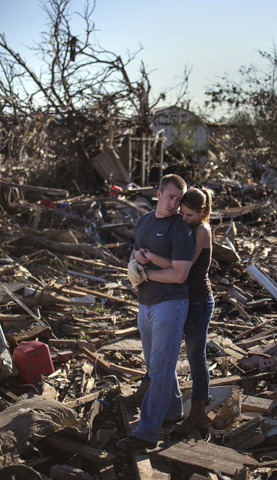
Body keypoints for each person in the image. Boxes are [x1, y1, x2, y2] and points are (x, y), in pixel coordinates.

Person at [116, 174, 195, 452]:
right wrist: (133, 265)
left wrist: (146, 273)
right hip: (145, 304)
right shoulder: (144, 221)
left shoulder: (181, 230)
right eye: (170, 197)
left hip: (170, 306)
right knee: (157, 366)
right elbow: (136, 252)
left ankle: (147, 432)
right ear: (158, 194)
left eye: (179, 199)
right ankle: (173, 412)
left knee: (160, 370)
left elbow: (179, 275)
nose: (174, 204)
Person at [137, 187, 214, 433]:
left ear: (202, 213)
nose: (183, 219)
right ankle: (155, 398)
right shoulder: (185, 227)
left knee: (195, 356)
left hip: (199, 301)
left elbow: (182, 267)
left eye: (189, 215)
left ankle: (199, 411)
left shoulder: (201, 231)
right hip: (183, 299)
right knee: (163, 351)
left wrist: (148, 259)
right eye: (182, 213)